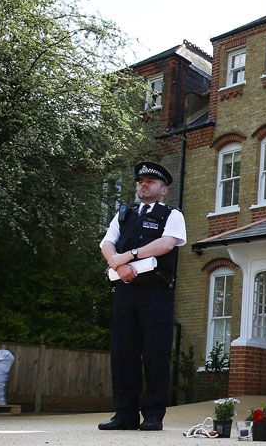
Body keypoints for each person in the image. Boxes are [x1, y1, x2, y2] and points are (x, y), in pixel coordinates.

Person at [97, 161, 186, 432]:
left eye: (150, 181)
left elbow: (167, 243)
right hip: (125, 290)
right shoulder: (125, 214)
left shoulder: (171, 214)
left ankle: (153, 415)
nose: (143, 184)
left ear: (163, 190)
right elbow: (106, 243)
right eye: (141, 181)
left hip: (155, 291)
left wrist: (129, 256)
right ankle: (124, 414)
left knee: (155, 353)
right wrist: (117, 264)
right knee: (123, 352)